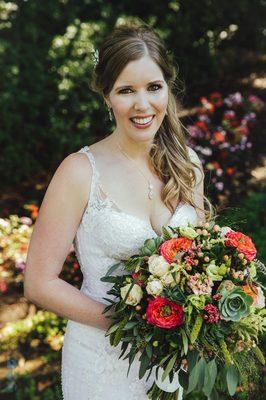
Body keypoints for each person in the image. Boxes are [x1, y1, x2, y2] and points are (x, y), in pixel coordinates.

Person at [24, 21, 214, 400]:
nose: (143, 105)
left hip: (168, 364)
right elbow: (38, 283)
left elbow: (201, 262)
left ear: (167, 89)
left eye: (153, 87)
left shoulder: (187, 165)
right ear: (107, 97)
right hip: (101, 362)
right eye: (126, 91)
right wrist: (132, 325)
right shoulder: (79, 172)